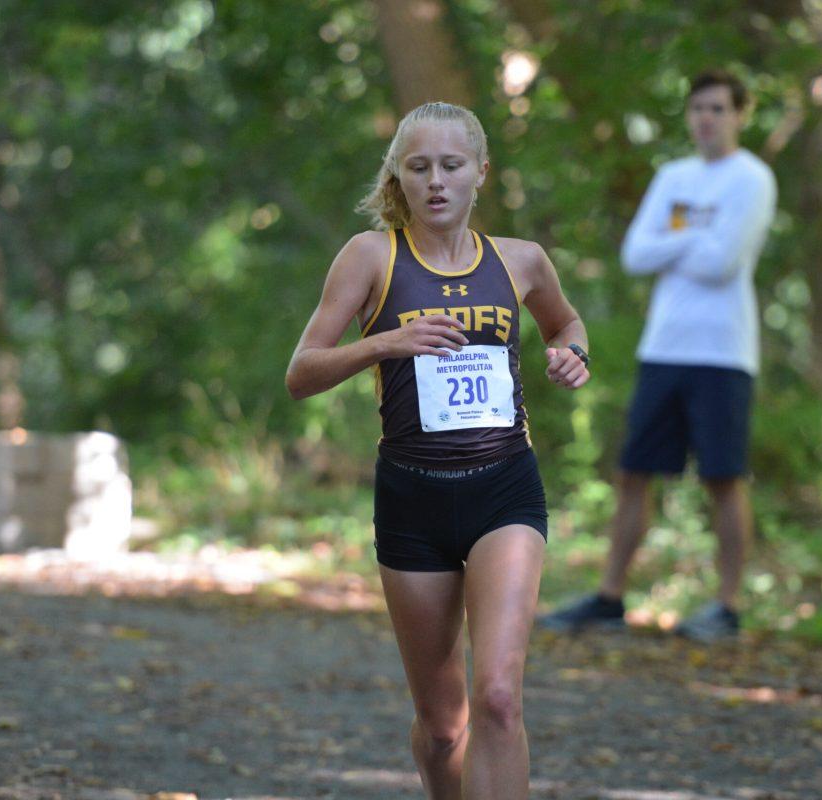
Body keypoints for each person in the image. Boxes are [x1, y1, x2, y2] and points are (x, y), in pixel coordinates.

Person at [285, 101, 589, 799]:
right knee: (444, 724)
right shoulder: (371, 257)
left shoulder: (521, 260)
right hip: (412, 497)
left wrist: (571, 352)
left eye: (452, 166)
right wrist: (387, 341)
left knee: (499, 700)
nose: (436, 181)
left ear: (481, 172)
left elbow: (566, 321)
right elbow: (301, 373)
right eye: (418, 167)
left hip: (505, 489)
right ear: (399, 175)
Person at [539, 70, 777, 642]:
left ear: (740, 114)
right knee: (631, 472)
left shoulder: (752, 178)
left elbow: (723, 264)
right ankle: (610, 598)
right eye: (698, 107)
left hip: (723, 352)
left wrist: (679, 242)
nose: (706, 118)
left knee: (722, 477)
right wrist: (699, 238)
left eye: (718, 108)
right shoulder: (674, 175)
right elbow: (635, 255)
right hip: (664, 346)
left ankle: (726, 607)